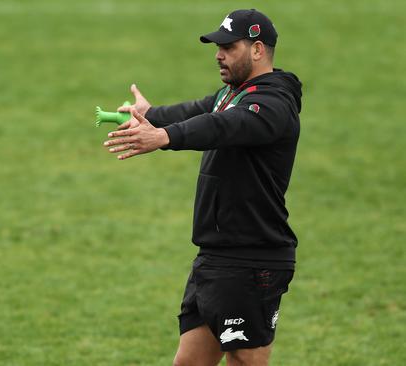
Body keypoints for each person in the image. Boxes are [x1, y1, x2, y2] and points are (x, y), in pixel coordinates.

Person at [103, 9, 301, 366]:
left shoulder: (272, 104)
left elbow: (221, 127)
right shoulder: (234, 94)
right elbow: (198, 111)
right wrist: (152, 115)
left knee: (245, 361)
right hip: (215, 256)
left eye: (228, 46)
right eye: (217, 46)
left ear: (258, 50)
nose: (218, 54)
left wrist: (164, 137)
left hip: (251, 259)